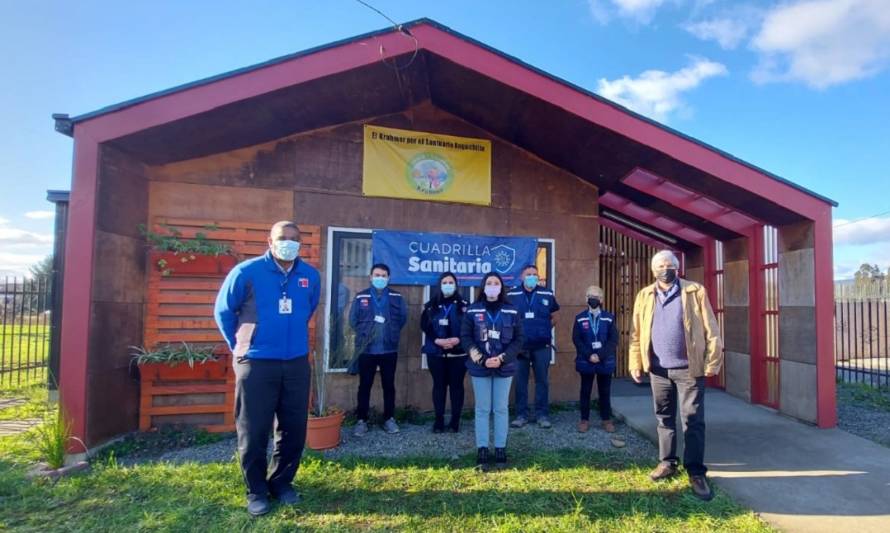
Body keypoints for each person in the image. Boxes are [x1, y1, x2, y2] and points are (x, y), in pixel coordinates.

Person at [214, 220, 320, 517]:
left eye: (294, 238)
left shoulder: (310, 276)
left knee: (294, 428)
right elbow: (223, 312)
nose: (289, 242)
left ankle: (282, 483)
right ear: (270, 241)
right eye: (282, 238)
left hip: (297, 362)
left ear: (301, 243)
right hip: (256, 363)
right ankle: (256, 490)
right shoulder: (246, 273)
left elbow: (307, 309)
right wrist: (242, 345)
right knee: (254, 430)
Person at [629, 250, 723, 501]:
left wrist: (712, 361)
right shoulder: (644, 295)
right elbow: (636, 333)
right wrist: (636, 362)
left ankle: (695, 471)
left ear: (677, 268)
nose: (665, 269)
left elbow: (711, 328)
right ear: (653, 270)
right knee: (664, 418)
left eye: (669, 265)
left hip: (689, 369)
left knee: (692, 420)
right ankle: (667, 462)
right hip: (658, 370)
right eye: (660, 265)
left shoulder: (694, 291)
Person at [460, 272, 525, 471]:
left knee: (500, 409)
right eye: (489, 283)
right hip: (480, 367)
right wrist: (481, 359)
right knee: (482, 409)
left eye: (496, 283)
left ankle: (500, 448)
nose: (492, 286)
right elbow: (466, 337)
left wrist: (502, 359)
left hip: (504, 367)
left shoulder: (512, 310)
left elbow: (519, 339)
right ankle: (482, 449)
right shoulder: (473, 310)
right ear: (483, 286)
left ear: (501, 287)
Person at [350, 263, 408, 436]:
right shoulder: (361, 297)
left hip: (389, 350)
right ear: (370, 277)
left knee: (389, 385)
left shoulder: (397, 297)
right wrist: (365, 334)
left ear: (388, 278)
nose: (380, 278)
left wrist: (391, 333)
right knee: (364, 386)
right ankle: (361, 420)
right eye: (377, 275)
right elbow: (353, 320)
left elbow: (402, 319)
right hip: (366, 350)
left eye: (383, 275)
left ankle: (389, 419)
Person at [507, 265, 560, 428]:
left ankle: (542, 415)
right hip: (520, 347)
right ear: (521, 277)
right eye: (529, 274)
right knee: (520, 381)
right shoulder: (511, 294)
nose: (532, 277)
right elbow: (506, 319)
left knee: (542, 381)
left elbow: (555, 315)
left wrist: (543, 329)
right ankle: (521, 415)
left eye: (535, 274)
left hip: (541, 346)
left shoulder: (547, 293)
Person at [421, 272, 469, 433]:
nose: (448, 285)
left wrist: (458, 339)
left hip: (459, 354)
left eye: (451, 282)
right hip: (436, 353)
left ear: (456, 285)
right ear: (440, 285)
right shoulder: (431, 305)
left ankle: (455, 421)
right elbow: (425, 326)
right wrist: (437, 340)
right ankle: (439, 421)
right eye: (445, 282)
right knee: (439, 386)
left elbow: (470, 327)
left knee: (457, 387)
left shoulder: (465, 305)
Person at [572, 285, 619, 433]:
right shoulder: (579, 318)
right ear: (586, 298)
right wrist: (589, 355)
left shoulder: (609, 317)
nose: (593, 298)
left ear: (601, 299)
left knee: (604, 391)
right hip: (586, 361)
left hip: (604, 361)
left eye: (596, 296)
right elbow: (576, 339)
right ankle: (584, 420)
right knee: (585, 391)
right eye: (590, 295)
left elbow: (613, 340)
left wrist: (600, 355)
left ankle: (606, 420)